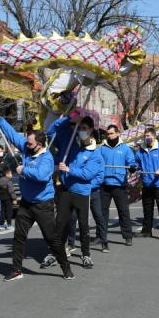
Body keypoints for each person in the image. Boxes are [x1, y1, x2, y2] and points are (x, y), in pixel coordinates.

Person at [0, 110, 74, 281]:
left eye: (29, 144)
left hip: (43, 204)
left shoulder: (47, 158)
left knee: (51, 239)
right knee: (19, 236)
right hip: (26, 204)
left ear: (40, 144)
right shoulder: (27, 147)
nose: (26, 146)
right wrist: (0, 119)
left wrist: (23, 170)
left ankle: (66, 267)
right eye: (26, 143)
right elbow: (13, 136)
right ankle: (16, 269)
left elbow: (42, 176)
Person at [45, 113, 104, 269]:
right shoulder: (70, 141)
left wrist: (69, 170)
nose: (80, 131)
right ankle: (55, 252)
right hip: (65, 191)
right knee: (60, 224)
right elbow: (51, 131)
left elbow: (88, 175)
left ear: (91, 130)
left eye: (84, 128)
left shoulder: (96, 153)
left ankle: (86, 255)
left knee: (83, 226)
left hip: (82, 193)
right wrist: (69, 119)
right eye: (79, 128)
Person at [98, 124, 136, 248]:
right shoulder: (102, 148)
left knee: (123, 211)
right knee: (102, 213)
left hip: (119, 185)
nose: (109, 136)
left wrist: (132, 167)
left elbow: (131, 161)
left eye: (111, 133)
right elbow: (96, 161)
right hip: (104, 185)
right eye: (108, 134)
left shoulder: (125, 148)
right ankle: (101, 236)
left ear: (117, 133)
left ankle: (127, 236)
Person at [135, 128, 159, 240]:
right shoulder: (141, 150)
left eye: (149, 135)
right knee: (147, 209)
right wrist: (135, 168)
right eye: (145, 136)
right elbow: (136, 162)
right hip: (147, 183)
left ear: (154, 136)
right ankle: (146, 231)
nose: (147, 138)